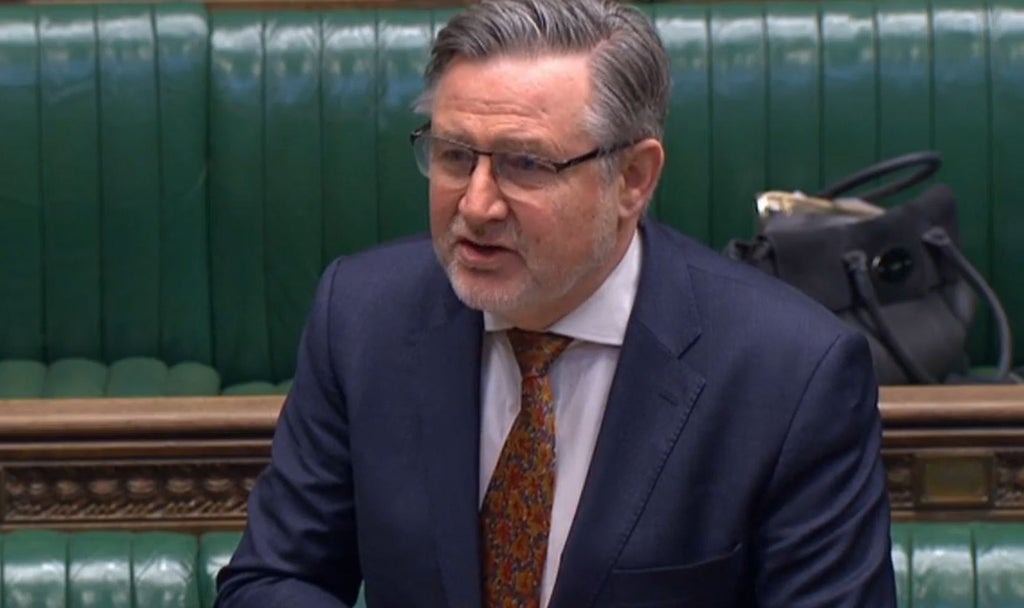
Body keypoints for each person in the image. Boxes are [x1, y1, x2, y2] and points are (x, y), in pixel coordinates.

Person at [215, 0, 896, 606]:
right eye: (454, 156)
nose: (477, 205)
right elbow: (272, 579)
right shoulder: (363, 317)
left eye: (526, 164)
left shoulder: (791, 374)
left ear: (633, 178)